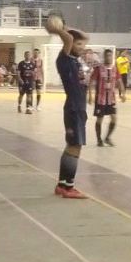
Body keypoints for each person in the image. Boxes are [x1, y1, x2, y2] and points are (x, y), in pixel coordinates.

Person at [45, 16, 88, 199]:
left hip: (78, 108)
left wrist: (68, 28)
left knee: (72, 146)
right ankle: (68, 188)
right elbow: (69, 39)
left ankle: (62, 185)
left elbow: (82, 36)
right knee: (74, 147)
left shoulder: (74, 60)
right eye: (79, 45)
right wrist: (58, 30)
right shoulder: (64, 59)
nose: (82, 47)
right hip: (73, 108)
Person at [89, 49, 125, 147]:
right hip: (100, 99)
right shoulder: (98, 69)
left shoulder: (115, 69)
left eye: (110, 56)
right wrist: (90, 95)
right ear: (104, 57)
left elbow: (119, 81)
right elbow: (91, 82)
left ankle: (107, 137)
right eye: (107, 55)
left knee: (114, 118)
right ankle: (99, 140)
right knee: (99, 119)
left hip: (111, 99)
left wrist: (123, 94)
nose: (108, 57)